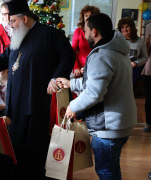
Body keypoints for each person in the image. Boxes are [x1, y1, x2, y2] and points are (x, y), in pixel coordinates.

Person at [0, 1, 75, 179]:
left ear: (24, 18)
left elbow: (68, 55)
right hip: (15, 103)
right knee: (15, 145)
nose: (9, 25)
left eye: (12, 20)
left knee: (33, 148)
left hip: (35, 102)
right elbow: (5, 58)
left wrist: (55, 78)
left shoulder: (50, 34)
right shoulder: (19, 35)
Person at [57, 13, 137, 179]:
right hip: (122, 122)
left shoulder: (101, 55)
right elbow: (102, 84)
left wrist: (73, 106)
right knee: (112, 169)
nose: (84, 36)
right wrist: (71, 83)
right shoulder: (118, 51)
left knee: (106, 172)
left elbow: (94, 93)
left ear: (94, 32)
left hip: (108, 128)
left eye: (85, 31)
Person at [72, 5, 100, 78]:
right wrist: (76, 67)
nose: (88, 18)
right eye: (86, 15)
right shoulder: (78, 31)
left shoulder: (99, 32)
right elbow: (72, 51)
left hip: (95, 68)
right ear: (83, 17)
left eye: (90, 15)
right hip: (80, 70)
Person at [117, 17, 148, 83]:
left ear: (132, 27)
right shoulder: (117, 40)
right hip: (118, 69)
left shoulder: (140, 41)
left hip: (132, 71)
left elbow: (145, 57)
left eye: (127, 27)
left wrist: (136, 63)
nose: (124, 29)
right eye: (122, 27)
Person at [143, 35, 151, 132]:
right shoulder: (149, 38)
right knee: (149, 98)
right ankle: (148, 123)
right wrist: (147, 43)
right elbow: (145, 54)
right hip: (149, 72)